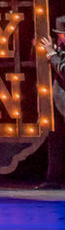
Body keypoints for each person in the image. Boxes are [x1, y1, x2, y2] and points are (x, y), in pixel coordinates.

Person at [40, 15, 65, 188]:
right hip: (57, 103)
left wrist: (51, 54)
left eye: (61, 34)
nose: (58, 37)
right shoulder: (61, 46)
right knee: (55, 139)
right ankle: (53, 179)